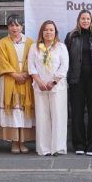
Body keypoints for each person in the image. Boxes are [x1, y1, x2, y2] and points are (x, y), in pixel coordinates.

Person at [65, 9, 92, 156]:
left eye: (88, 18)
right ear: (78, 20)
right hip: (76, 80)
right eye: (83, 18)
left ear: (91, 20)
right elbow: (66, 57)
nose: (85, 21)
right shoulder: (71, 36)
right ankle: (79, 144)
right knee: (77, 112)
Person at [0, 14, 35, 154]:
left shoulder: (30, 42)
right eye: (12, 25)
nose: (14, 28)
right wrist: (15, 75)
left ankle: (23, 141)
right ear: (8, 27)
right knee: (12, 111)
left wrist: (25, 73)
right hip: (9, 80)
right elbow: (3, 62)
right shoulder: (2, 43)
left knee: (23, 111)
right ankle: (14, 142)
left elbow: (32, 59)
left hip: (26, 79)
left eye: (17, 25)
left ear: (22, 27)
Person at [29, 20, 70, 156]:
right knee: (42, 117)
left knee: (58, 116)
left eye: (51, 30)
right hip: (40, 87)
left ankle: (57, 147)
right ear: (42, 32)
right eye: (46, 30)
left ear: (55, 32)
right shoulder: (34, 47)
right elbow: (31, 67)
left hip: (57, 87)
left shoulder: (61, 47)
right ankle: (44, 148)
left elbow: (64, 67)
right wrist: (39, 81)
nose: (48, 32)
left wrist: (54, 82)